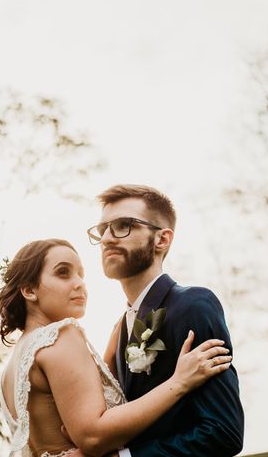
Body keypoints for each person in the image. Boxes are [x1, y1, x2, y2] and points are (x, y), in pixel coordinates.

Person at [0, 238, 232, 457]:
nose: (79, 284)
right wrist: (178, 383)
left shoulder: (15, 363)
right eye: (63, 273)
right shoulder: (62, 335)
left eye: (81, 274)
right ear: (29, 290)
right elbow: (93, 435)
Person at [89, 184, 244, 456]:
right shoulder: (122, 328)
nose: (107, 239)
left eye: (123, 225)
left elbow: (224, 432)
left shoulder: (193, 305)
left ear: (162, 239)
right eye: (103, 230)